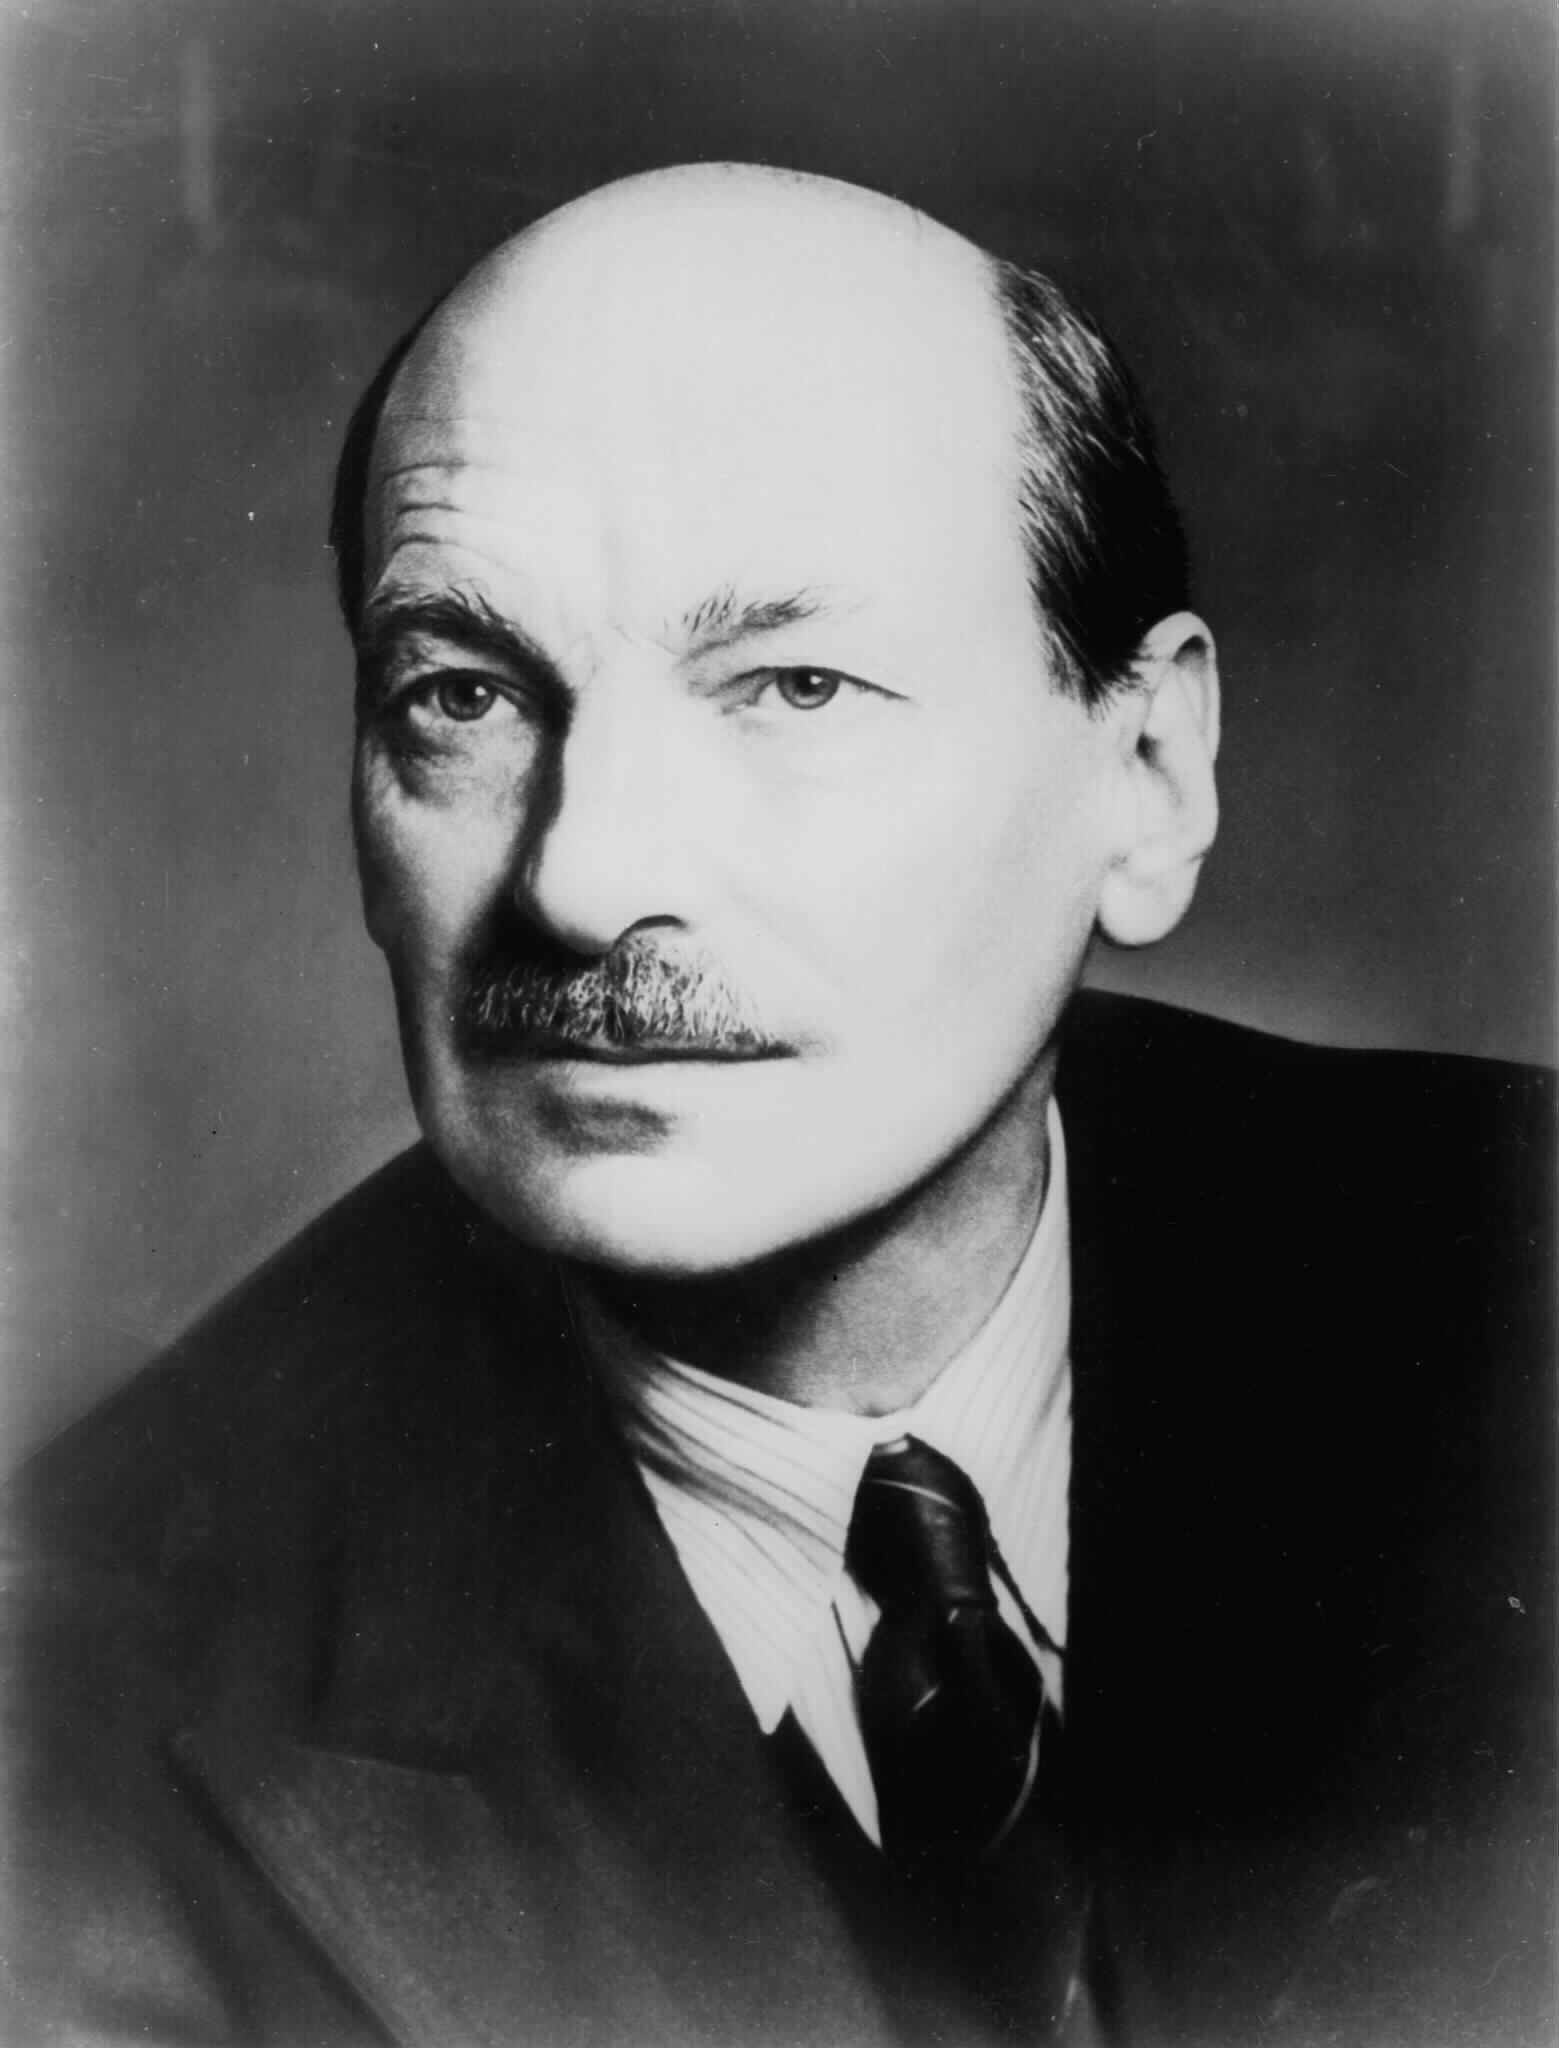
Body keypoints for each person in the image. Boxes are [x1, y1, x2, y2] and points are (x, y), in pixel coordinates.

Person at [4, 164, 1551, 2048]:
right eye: (465, 696)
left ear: (1147, 769)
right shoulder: (72, 1718)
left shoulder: (1509, 1295)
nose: (583, 878)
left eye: (794, 687)